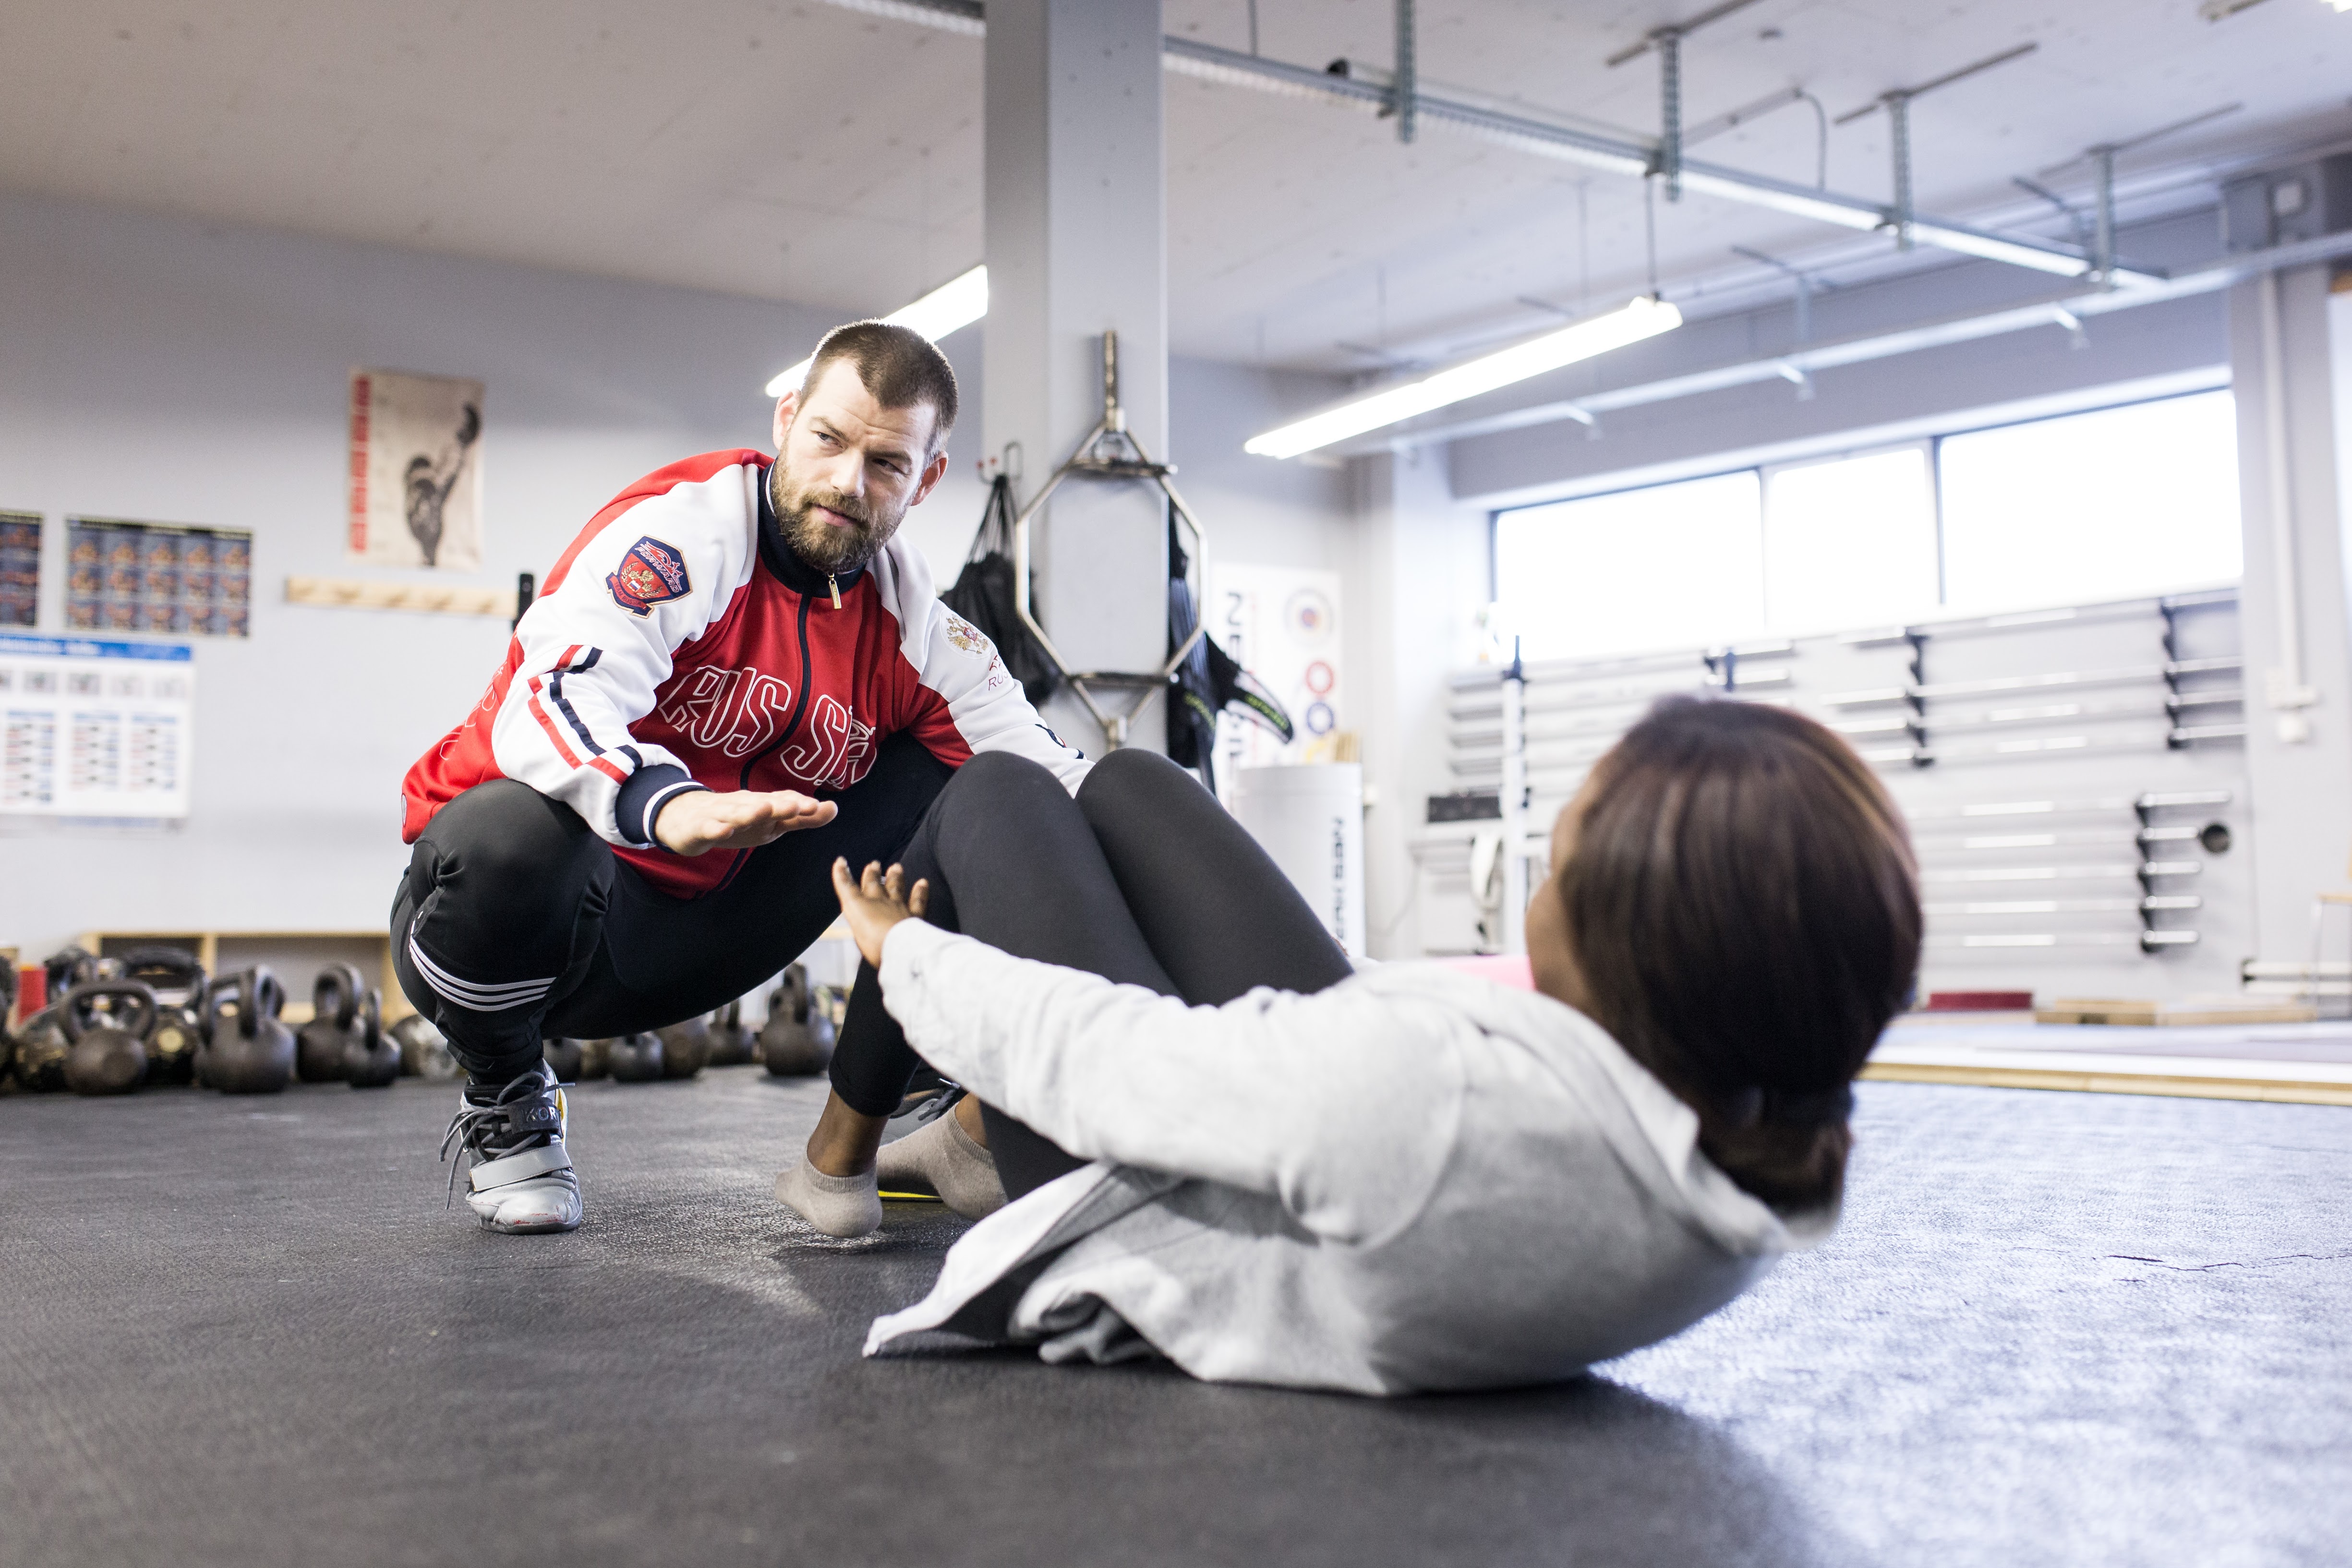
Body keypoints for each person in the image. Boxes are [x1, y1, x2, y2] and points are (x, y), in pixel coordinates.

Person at [813, 697, 1921, 1396]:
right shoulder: (1743, 1133)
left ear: (1625, 942)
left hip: (1140, 1206)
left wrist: (903, 952)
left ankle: (842, 1149)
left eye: (1556, 861)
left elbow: (1113, 1062)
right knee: (1131, 783)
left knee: (996, 794)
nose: (1540, 875)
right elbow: (1396, 1034)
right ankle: (933, 1135)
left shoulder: (1438, 1105)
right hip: (1348, 1163)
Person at [395, 320, 1092, 1235]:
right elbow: (554, 695)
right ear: (787, 418)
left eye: (886, 464)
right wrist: (663, 802)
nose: (849, 482)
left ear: (926, 481)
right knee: (506, 840)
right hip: (544, 919)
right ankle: (506, 1085)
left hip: (713, 939)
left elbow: (1055, 776)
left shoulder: (918, 624)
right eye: (829, 440)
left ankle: (940, 1115)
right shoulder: (682, 536)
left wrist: (1186, 875)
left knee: (994, 796)